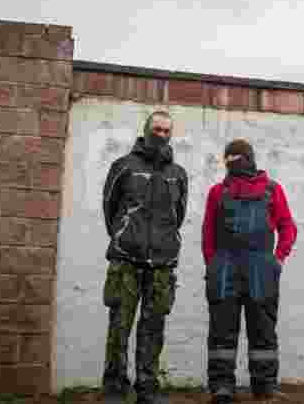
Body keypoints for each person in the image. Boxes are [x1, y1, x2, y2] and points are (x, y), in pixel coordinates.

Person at [101, 110, 189, 404]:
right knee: (119, 328)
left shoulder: (178, 174)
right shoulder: (124, 166)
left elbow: (178, 216)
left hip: (162, 265)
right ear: (146, 130)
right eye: (157, 129)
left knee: (153, 330)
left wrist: (164, 243)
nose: (161, 134)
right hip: (126, 261)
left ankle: (147, 389)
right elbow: (110, 209)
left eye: (167, 130)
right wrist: (125, 237)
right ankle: (115, 389)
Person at [202, 138, 298, 404]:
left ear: (250, 158)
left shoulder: (272, 189)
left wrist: (278, 258)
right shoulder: (217, 192)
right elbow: (208, 233)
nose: (234, 162)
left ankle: (265, 385)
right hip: (224, 267)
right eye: (229, 158)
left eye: (238, 157)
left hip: (261, 267)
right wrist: (212, 264)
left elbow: (288, 226)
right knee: (222, 329)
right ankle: (222, 386)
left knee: (263, 328)